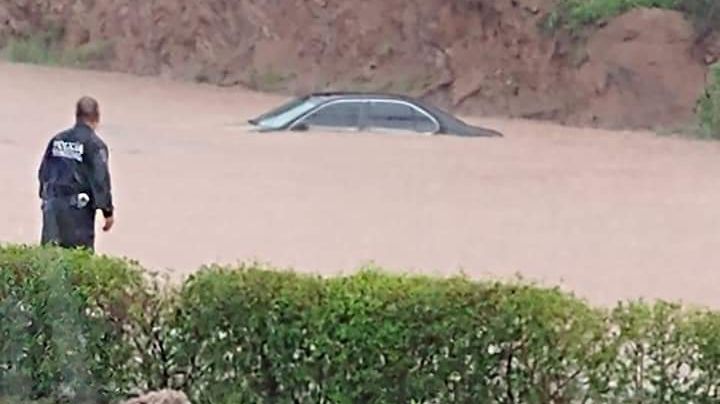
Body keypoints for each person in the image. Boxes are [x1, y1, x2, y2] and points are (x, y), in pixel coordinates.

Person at [38, 96, 115, 251]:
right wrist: (107, 211)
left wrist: (45, 198)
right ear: (96, 118)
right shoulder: (95, 145)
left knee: (49, 258)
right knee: (78, 258)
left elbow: (43, 172)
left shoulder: (57, 140)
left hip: (53, 207)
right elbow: (100, 179)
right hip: (78, 212)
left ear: (76, 115)